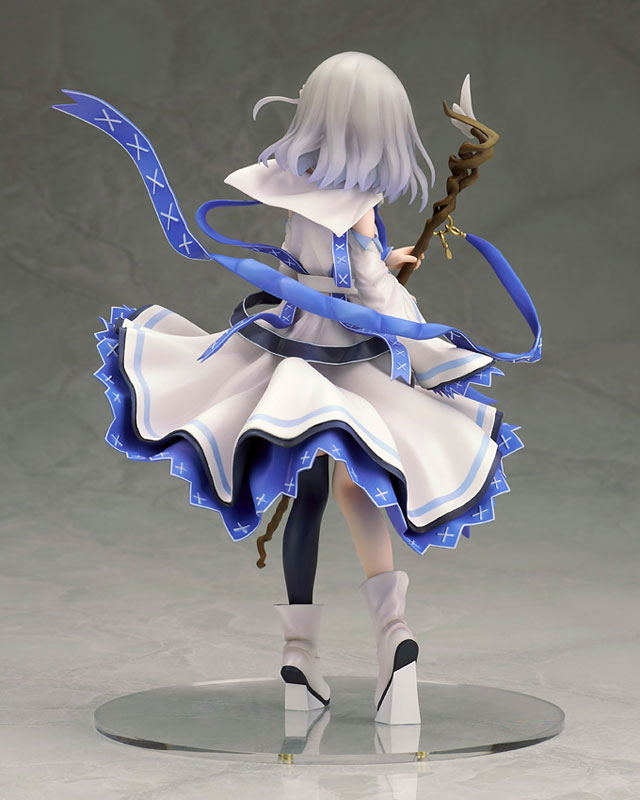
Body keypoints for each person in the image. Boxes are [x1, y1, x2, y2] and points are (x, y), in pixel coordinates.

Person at [56, 51, 538, 725]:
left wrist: (381, 263)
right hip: (342, 358)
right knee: (359, 484)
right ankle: (394, 635)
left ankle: (298, 653)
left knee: (306, 493)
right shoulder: (361, 207)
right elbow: (369, 290)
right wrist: (420, 328)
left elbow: (317, 263)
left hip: (291, 351)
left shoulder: (292, 182)